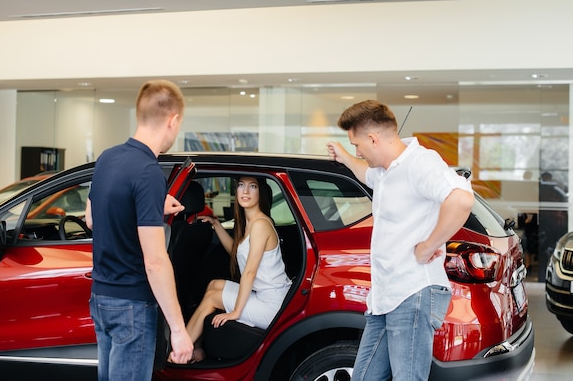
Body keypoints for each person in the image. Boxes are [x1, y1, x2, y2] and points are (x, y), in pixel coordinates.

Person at [326, 100, 474, 381]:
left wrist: (429, 245)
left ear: (373, 138)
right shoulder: (385, 171)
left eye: (357, 145)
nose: (358, 151)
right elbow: (365, 173)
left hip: (413, 292)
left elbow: (461, 199)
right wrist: (345, 156)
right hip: (385, 298)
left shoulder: (420, 162)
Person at [85, 79, 194, 380]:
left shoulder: (108, 157)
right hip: (131, 305)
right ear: (172, 121)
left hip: (101, 297)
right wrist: (179, 330)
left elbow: (93, 218)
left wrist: (150, 208)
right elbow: (155, 261)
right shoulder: (148, 172)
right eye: (179, 123)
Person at [180, 176, 292, 363]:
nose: (245, 191)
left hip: (271, 304)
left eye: (252, 186)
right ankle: (197, 349)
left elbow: (249, 272)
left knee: (212, 298)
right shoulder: (250, 221)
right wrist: (216, 225)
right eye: (241, 185)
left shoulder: (260, 225)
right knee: (214, 285)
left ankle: (181, 353)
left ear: (261, 192)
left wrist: (235, 312)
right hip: (263, 295)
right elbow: (237, 251)